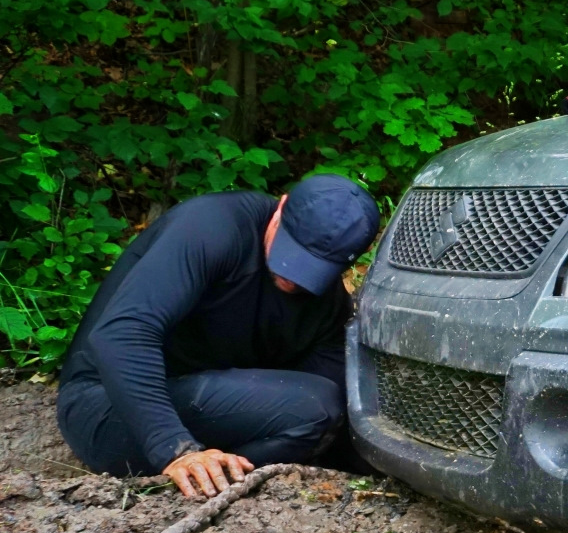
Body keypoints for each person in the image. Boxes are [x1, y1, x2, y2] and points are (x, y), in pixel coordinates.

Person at [57, 174, 381, 499]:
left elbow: (326, 402)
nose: (292, 276)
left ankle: (225, 474)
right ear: (281, 207)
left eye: (313, 266)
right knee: (315, 407)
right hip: (105, 408)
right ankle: (198, 479)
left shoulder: (325, 307)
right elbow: (122, 335)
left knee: (327, 405)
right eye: (291, 249)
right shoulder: (210, 229)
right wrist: (175, 449)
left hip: (205, 402)